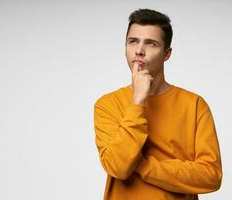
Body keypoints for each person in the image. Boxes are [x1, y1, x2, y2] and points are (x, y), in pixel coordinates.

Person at [93, 8, 222, 200]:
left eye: (151, 43)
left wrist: (144, 166)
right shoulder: (107, 104)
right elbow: (118, 167)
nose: (139, 50)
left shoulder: (194, 105)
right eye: (133, 41)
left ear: (167, 54)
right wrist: (138, 102)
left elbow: (211, 176)